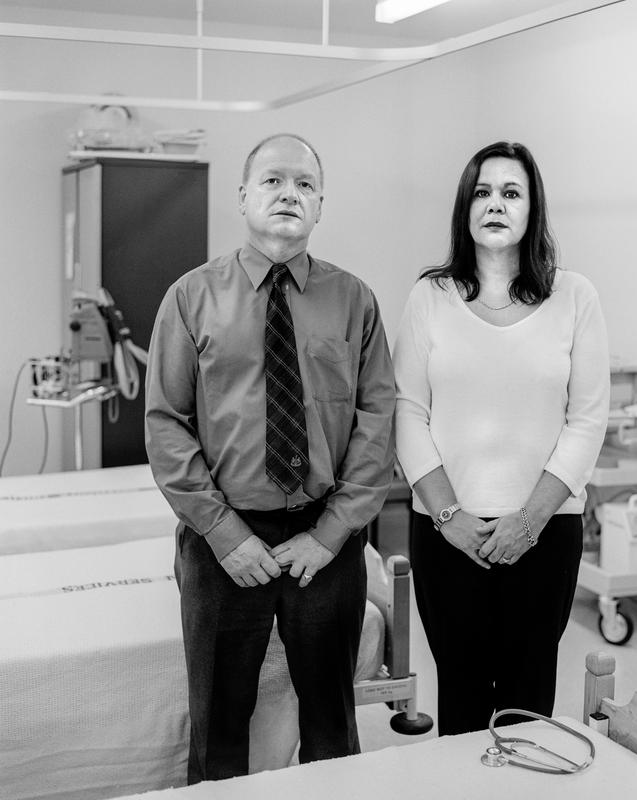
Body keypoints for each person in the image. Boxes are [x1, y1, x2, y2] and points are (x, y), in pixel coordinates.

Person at [145, 133, 395, 782]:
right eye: (273, 181)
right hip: (222, 541)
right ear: (243, 197)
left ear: (320, 206)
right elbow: (167, 425)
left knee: (333, 728)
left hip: (327, 543)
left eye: (305, 185)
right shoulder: (190, 298)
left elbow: (376, 423)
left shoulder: (355, 302)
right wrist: (226, 536)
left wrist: (331, 534)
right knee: (220, 725)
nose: (290, 193)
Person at [393, 140, 609, 736]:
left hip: (545, 529)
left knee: (528, 698)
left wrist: (530, 521)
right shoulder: (429, 297)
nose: (496, 204)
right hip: (447, 533)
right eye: (483, 192)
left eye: (511, 192)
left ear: (533, 208)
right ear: (466, 208)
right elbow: (407, 413)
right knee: (460, 698)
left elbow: (588, 420)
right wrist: (449, 516)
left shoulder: (575, 297)